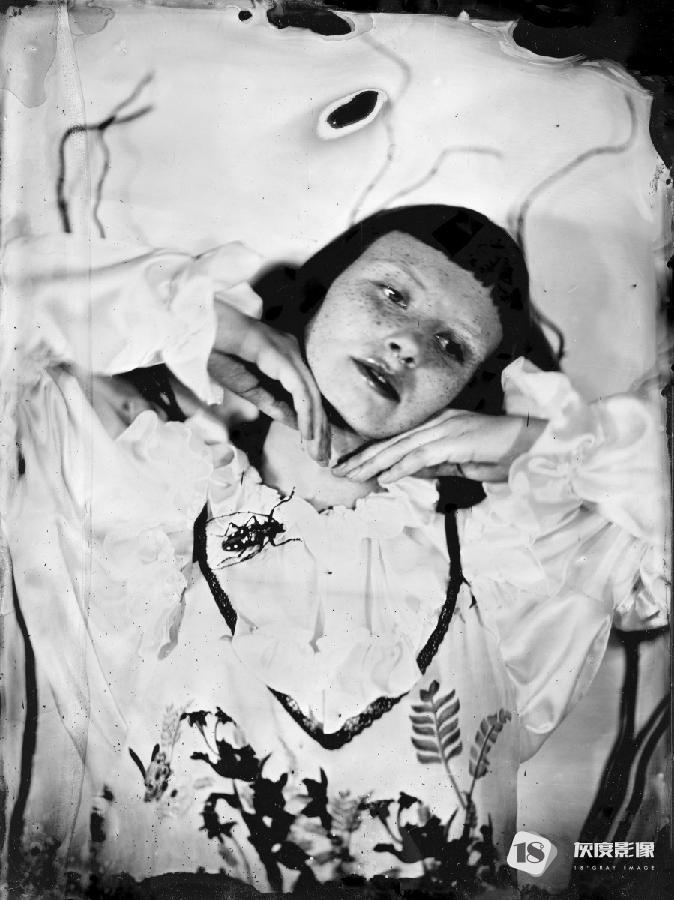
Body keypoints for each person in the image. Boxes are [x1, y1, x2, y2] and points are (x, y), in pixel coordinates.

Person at [2, 206, 668, 897]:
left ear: (466, 397)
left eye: (450, 347)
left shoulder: (508, 569)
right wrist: (202, 323)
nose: (407, 344)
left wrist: (537, 445)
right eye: (391, 294)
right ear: (316, 298)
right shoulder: (142, 500)